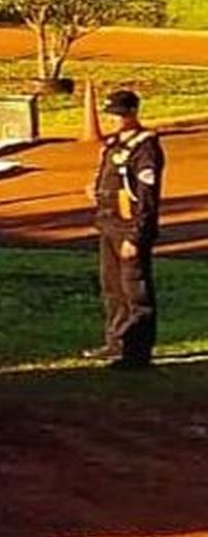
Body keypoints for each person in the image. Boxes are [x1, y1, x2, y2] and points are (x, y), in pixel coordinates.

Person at [84, 89, 165, 371]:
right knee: (113, 288)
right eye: (111, 115)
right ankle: (116, 342)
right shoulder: (113, 145)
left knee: (135, 291)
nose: (113, 120)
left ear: (132, 113)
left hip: (128, 228)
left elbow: (146, 196)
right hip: (108, 224)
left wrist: (136, 235)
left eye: (119, 115)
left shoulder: (145, 148)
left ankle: (137, 353)